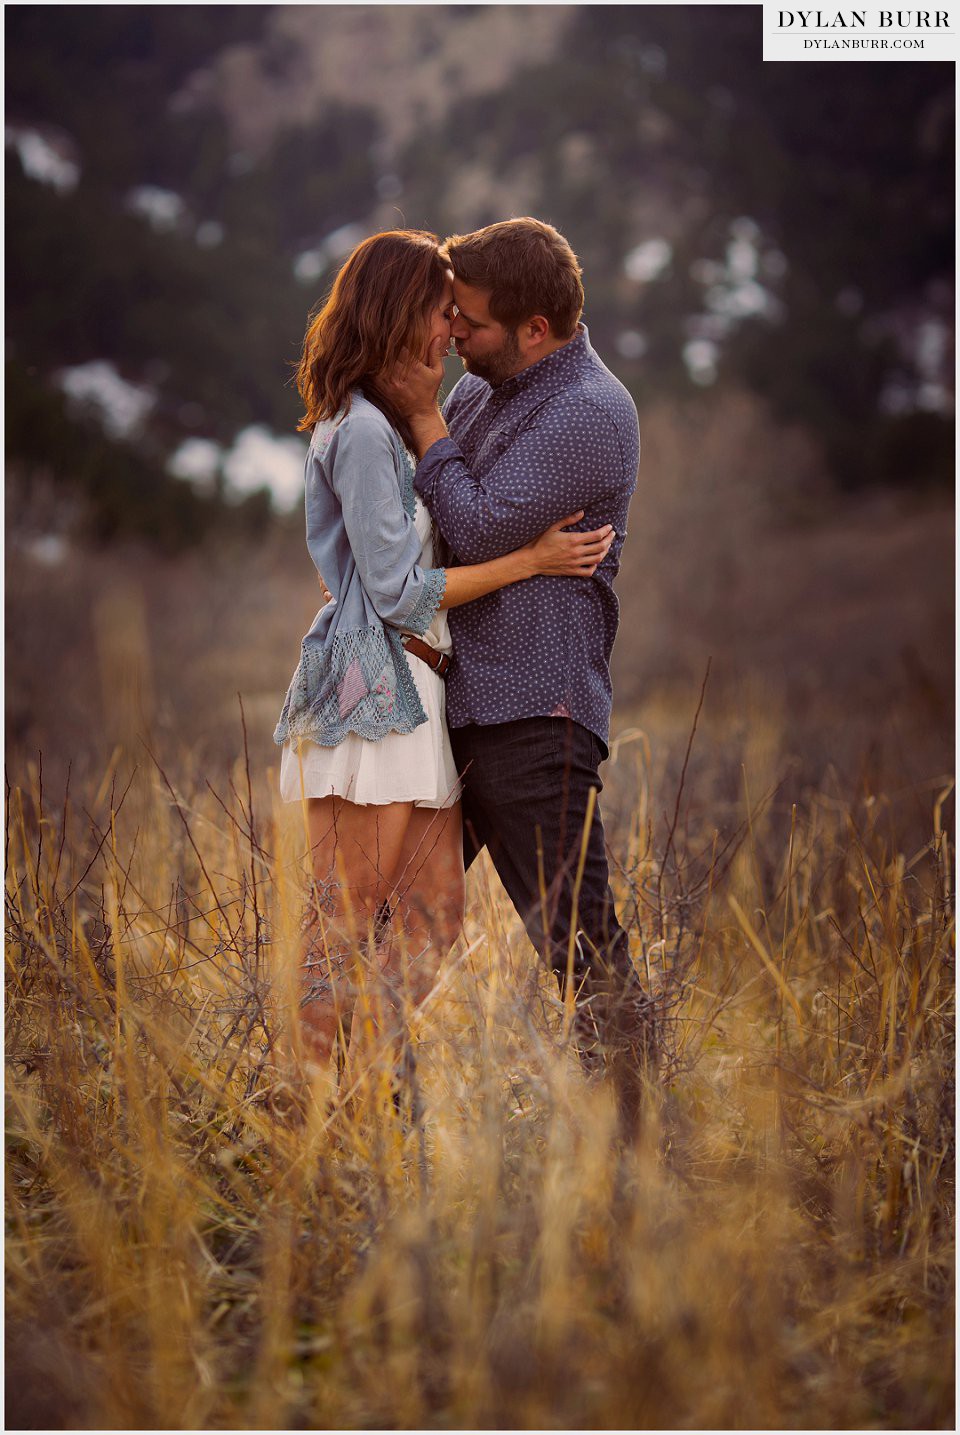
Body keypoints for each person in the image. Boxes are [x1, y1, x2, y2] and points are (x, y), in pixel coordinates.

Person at [273, 229, 614, 1084]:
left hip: (459, 697)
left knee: (439, 920)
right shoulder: (375, 426)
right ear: (398, 318)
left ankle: (363, 1105)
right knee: (349, 925)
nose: (451, 334)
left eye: (461, 318)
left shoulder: (547, 413)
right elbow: (394, 584)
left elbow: (437, 540)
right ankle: (309, 1115)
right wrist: (527, 561)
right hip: (383, 689)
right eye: (440, 313)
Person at [381, 217, 656, 1128]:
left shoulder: (588, 411)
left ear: (536, 328)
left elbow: (472, 526)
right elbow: (437, 515)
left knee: (582, 952)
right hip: (451, 709)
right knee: (389, 935)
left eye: (472, 322)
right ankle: (353, 1130)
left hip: (536, 719)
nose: (453, 335)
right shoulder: (482, 391)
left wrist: (423, 420)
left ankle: (637, 1159)